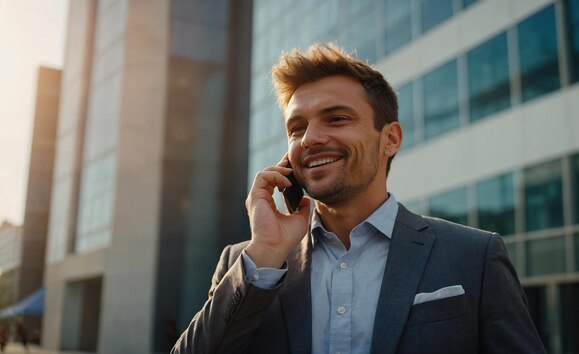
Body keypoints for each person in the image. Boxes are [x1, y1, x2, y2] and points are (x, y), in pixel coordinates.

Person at [172, 43, 545, 354]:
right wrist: (267, 250)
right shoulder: (247, 265)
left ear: (390, 139)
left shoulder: (474, 256)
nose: (310, 139)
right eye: (296, 128)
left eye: (335, 119)